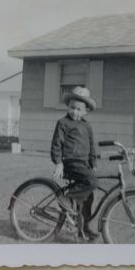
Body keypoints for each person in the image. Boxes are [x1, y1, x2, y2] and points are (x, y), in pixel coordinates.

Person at [50, 86, 99, 241]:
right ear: (68, 107)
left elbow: (92, 146)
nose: (75, 112)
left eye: (79, 109)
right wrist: (58, 163)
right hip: (70, 162)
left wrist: (93, 163)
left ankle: (83, 227)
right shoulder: (63, 123)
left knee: (88, 197)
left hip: (83, 164)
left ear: (85, 111)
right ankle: (66, 198)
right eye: (72, 108)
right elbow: (56, 144)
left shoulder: (87, 126)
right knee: (92, 182)